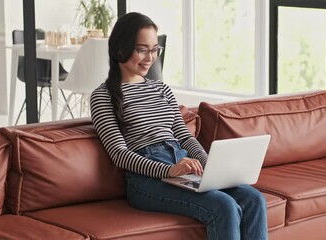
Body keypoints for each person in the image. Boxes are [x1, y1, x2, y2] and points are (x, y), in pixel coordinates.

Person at [90, 12, 268, 240]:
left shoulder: (162, 90)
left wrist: (210, 167)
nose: (150, 57)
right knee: (222, 206)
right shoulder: (103, 96)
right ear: (121, 49)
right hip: (146, 180)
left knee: (253, 199)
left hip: (182, 164)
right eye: (142, 49)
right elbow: (120, 154)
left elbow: (184, 138)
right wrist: (168, 170)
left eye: (155, 49)